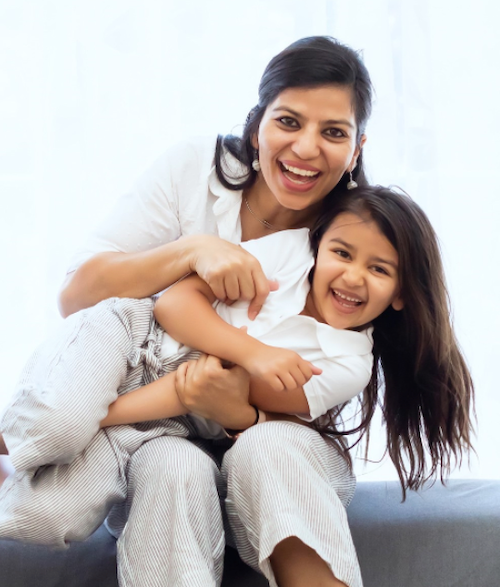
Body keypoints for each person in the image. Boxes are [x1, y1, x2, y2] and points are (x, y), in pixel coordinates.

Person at [0, 36, 469, 587]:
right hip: (156, 419)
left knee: (267, 446)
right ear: (257, 125)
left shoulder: (345, 233)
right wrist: (189, 251)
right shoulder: (215, 184)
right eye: (289, 122)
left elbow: (279, 395)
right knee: (145, 474)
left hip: (264, 435)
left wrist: (236, 412)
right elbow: (79, 298)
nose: (308, 148)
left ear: (357, 148)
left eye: (334, 132)